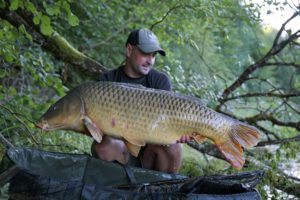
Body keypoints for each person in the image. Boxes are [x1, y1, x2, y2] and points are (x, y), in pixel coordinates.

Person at [91, 28, 183, 173]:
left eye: (153, 55)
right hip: (121, 154)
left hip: (149, 156)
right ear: (129, 50)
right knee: (104, 145)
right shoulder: (107, 81)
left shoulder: (160, 81)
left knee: (174, 146)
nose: (150, 61)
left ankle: (157, 189)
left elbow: (166, 122)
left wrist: (179, 131)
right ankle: (116, 188)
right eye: (146, 54)